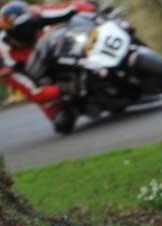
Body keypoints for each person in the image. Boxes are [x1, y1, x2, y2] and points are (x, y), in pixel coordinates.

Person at [0, 0, 95, 131]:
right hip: (46, 81)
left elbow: (69, 8)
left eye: (29, 23)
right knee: (62, 123)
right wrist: (64, 88)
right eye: (22, 27)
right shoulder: (4, 58)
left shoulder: (38, 14)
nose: (29, 29)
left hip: (69, 55)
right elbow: (33, 92)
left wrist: (88, 6)